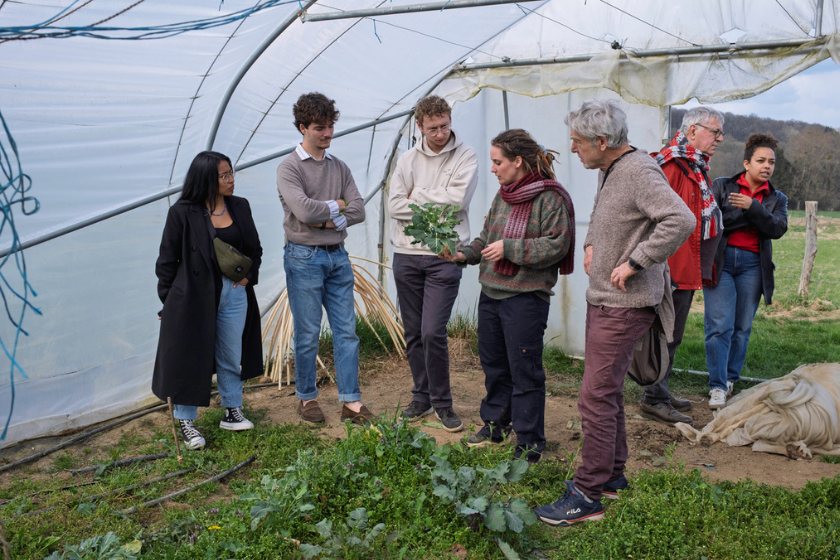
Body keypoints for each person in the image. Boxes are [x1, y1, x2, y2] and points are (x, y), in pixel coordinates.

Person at [534, 100, 694, 526]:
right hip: (605, 297)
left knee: (595, 396)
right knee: (604, 393)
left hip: (624, 303)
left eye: (578, 142)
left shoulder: (639, 171)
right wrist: (592, 245)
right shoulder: (610, 169)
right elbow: (612, 216)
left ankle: (587, 494)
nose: (573, 149)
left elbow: (680, 219)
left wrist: (637, 261)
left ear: (603, 142)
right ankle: (612, 478)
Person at [441, 128, 575, 463]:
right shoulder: (504, 195)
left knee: (524, 371)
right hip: (492, 295)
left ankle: (530, 443)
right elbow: (487, 238)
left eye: (498, 162)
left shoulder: (550, 199)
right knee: (495, 366)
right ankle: (496, 425)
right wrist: (462, 254)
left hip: (525, 299)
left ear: (518, 161)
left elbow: (557, 245)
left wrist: (510, 248)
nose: (493, 169)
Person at [152, 151, 264, 450]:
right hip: (194, 297)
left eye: (231, 173)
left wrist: (247, 278)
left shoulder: (239, 206)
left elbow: (255, 248)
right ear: (206, 179)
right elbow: (166, 262)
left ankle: (231, 410)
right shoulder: (182, 213)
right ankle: (186, 421)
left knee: (231, 352)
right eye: (224, 175)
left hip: (234, 293)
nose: (231, 179)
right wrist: (170, 303)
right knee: (191, 356)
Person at [276, 92, 373, 425]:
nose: (328, 133)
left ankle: (351, 402)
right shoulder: (289, 168)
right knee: (307, 333)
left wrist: (327, 216)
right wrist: (337, 207)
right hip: (303, 258)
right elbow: (302, 211)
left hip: (338, 257)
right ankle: (306, 398)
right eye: (320, 127)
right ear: (303, 127)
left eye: (331, 126)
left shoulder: (339, 167)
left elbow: (358, 208)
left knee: (347, 331)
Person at [388, 95, 479, 432]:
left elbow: (457, 202)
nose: (440, 133)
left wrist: (418, 195)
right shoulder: (407, 160)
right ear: (420, 126)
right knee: (413, 332)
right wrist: (435, 194)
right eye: (433, 128)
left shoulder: (466, 155)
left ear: (450, 120)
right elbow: (395, 206)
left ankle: (443, 403)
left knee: (432, 331)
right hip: (407, 255)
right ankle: (422, 397)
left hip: (446, 254)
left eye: (444, 126)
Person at [640, 107, 725, 425]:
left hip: (685, 264)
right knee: (665, 333)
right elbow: (662, 219)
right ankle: (653, 397)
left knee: (672, 333)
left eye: (720, 133)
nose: (719, 139)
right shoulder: (673, 166)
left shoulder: (696, 166)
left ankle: (660, 391)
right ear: (692, 132)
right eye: (714, 132)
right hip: (670, 266)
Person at [703, 133, 788, 409]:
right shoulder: (721, 187)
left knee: (742, 328)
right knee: (719, 326)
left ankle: (729, 379)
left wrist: (754, 208)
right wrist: (753, 214)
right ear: (746, 163)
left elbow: (776, 229)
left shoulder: (777, 198)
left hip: (753, 266)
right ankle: (716, 386)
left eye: (771, 162)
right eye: (761, 160)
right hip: (722, 263)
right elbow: (711, 224)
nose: (767, 166)